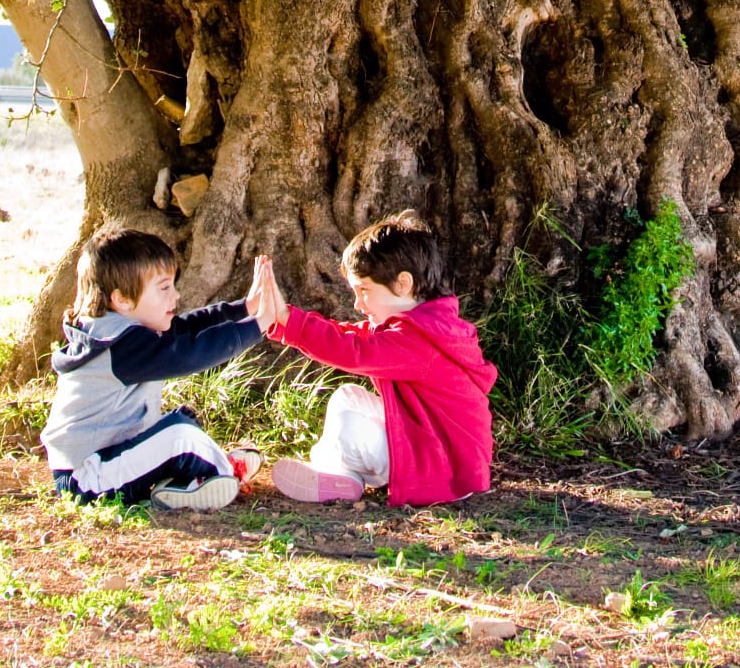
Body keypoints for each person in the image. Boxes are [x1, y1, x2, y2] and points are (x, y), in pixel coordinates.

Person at [247, 210, 496, 506]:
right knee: (348, 397)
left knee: (352, 428)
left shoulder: (419, 339)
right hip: (436, 454)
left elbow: (353, 350)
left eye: (364, 290)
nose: (358, 303)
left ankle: (339, 475)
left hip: (441, 471)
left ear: (403, 284)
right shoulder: (428, 326)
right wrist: (284, 322)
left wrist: (288, 319)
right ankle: (338, 474)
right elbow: (353, 335)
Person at [42, 225, 263, 512]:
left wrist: (244, 309)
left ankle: (189, 480)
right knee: (179, 436)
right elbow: (188, 354)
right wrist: (259, 325)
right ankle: (223, 472)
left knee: (181, 421)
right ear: (121, 299)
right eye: (164, 288)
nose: (176, 297)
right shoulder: (119, 345)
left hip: (106, 462)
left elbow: (183, 330)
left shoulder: (119, 330)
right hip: (86, 479)